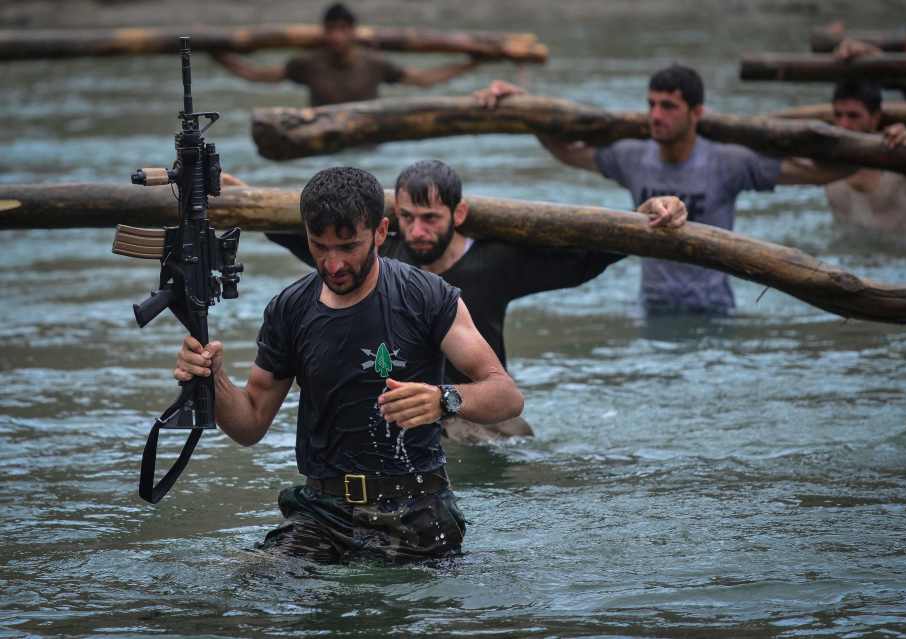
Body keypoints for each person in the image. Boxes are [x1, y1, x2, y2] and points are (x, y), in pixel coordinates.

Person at [174, 166, 523, 563]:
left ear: (380, 232)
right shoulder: (289, 309)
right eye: (319, 247)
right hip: (320, 513)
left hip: (417, 510)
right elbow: (250, 424)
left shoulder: (428, 297)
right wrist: (213, 378)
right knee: (255, 584)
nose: (333, 264)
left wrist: (443, 399)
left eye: (348, 247)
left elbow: (506, 395)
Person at [265, 161, 688, 442]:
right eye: (408, 218)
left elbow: (583, 259)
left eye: (431, 219)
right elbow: (309, 236)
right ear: (387, 225)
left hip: (474, 409)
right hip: (396, 416)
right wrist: (232, 191)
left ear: (459, 215)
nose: (417, 232)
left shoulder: (494, 263)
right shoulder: (374, 256)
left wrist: (644, 215)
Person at [477, 66, 853, 315]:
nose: (656, 115)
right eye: (652, 104)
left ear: (697, 113)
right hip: (653, 308)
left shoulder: (729, 162)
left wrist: (882, 143)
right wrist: (525, 106)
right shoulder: (632, 157)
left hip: (714, 312)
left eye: (669, 106)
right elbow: (568, 152)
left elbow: (812, 174)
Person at [210, 3, 487, 107]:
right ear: (324, 32)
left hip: (366, 142)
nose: (337, 37)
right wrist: (218, 55)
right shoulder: (309, 64)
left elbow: (424, 79)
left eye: (343, 29)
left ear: (353, 32)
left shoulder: (374, 63)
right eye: (331, 30)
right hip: (317, 140)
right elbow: (257, 75)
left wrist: (472, 63)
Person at [826, 79, 906, 241]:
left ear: (876, 117)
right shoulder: (825, 156)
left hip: (898, 262)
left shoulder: (902, 152)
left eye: (853, 116)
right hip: (839, 261)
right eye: (838, 115)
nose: (843, 124)